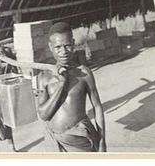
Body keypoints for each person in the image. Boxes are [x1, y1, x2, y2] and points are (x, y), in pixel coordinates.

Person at [37, 22, 106, 152]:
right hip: (56, 142)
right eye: (58, 47)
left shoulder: (84, 73)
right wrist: (61, 84)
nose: (63, 52)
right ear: (50, 47)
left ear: (73, 43)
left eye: (67, 45)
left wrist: (102, 142)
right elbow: (44, 115)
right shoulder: (44, 77)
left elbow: (97, 107)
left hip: (81, 140)